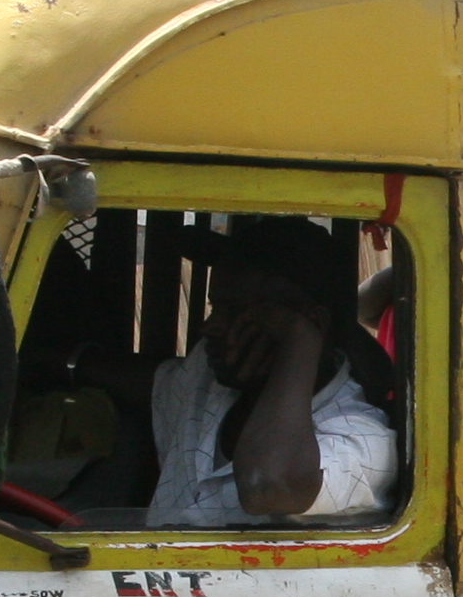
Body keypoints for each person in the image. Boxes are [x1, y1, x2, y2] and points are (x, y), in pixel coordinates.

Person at [146, 216, 396, 529]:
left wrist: (300, 336)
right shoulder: (210, 373)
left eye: (236, 311)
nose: (209, 327)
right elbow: (154, 381)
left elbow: (267, 486)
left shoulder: (363, 441)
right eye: (215, 308)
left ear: (311, 324)